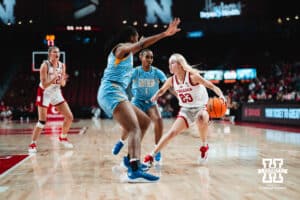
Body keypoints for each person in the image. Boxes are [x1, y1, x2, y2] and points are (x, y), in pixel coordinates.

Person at [97, 18, 181, 182]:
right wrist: (164, 33)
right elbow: (141, 45)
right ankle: (134, 171)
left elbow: (141, 45)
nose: (139, 41)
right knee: (134, 128)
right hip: (110, 91)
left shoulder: (127, 53)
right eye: (137, 39)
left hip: (117, 91)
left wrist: (142, 42)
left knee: (144, 122)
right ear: (131, 38)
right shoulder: (121, 49)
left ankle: (130, 160)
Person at [144, 53, 226, 167]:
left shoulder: (193, 77)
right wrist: (156, 96)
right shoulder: (171, 80)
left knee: (201, 118)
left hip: (201, 107)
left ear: (180, 64)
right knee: (172, 132)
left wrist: (221, 96)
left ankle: (204, 146)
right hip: (186, 109)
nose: (170, 66)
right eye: (169, 64)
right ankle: (151, 156)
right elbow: (162, 90)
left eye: (172, 63)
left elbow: (211, 86)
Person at [112, 49, 167, 165]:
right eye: (147, 57)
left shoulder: (157, 72)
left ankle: (157, 150)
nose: (150, 60)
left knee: (158, 120)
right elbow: (123, 83)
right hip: (137, 102)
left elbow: (167, 84)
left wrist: (177, 94)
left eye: (151, 57)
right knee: (131, 126)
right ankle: (121, 142)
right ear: (141, 57)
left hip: (151, 103)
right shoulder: (135, 72)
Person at [28, 46, 74, 153]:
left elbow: (63, 84)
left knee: (69, 117)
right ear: (50, 54)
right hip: (44, 92)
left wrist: (63, 79)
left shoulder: (62, 65)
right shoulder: (44, 65)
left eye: (58, 52)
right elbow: (44, 84)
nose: (57, 54)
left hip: (56, 91)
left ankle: (62, 137)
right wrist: (54, 78)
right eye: (54, 52)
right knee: (42, 121)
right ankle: (32, 144)